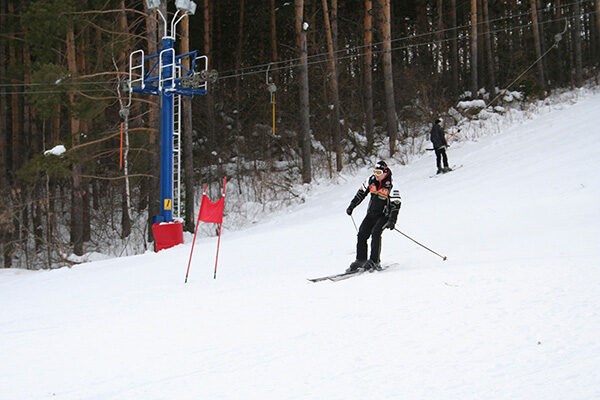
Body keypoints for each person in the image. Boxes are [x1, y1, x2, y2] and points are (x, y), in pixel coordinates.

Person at [345, 161, 401, 272]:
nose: (376, 174)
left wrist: (392, 220)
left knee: (376, 233)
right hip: (371, 214)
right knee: (361, 233)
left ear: (385, 172)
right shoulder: (371, 180)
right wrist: (352, 205)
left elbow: (396, 204)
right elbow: (361, 193)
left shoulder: (392, 185)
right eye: (375, 171)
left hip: (384, 215)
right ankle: (361, 259)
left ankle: (375, 261)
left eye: (379, 172)